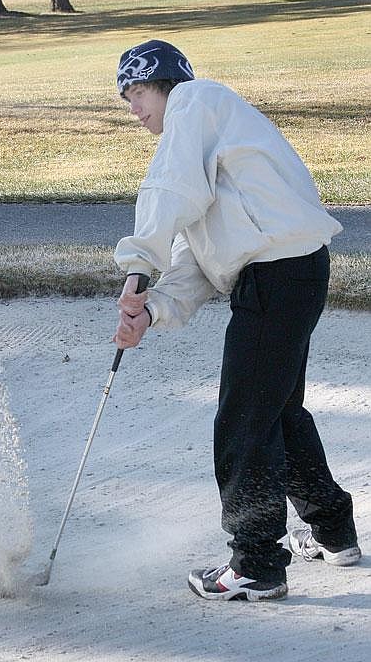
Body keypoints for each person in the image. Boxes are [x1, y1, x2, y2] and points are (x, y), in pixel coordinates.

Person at [112, 39, 361, 602]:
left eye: (138, 91)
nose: (133, 107)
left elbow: (167, 191)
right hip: (285, 274)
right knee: (276, 412)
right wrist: (151, 309)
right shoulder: (209, 143)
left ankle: (256, 565)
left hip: (279, 275)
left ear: (165, 83)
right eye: (126, 97)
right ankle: (333, 531)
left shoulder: (196, 102)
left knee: (244, 422)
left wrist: (136, 267)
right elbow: (199, 257)